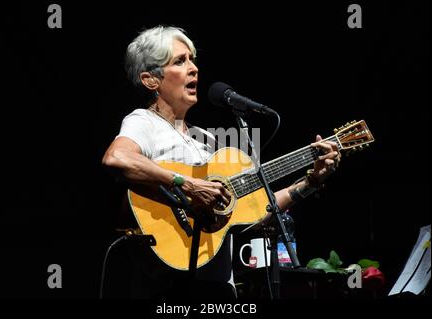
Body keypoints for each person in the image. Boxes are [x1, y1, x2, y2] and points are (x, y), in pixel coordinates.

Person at [102, 25, 340, 299]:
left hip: (219, 289)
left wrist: (311, 181)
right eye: (180, 61)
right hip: (168, 287)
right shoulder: (143, 122)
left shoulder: (206, 140)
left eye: (192, 59)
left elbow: (256, 214)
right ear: (150, 80)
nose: (194, 68)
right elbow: (116, 158)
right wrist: (188, 185)